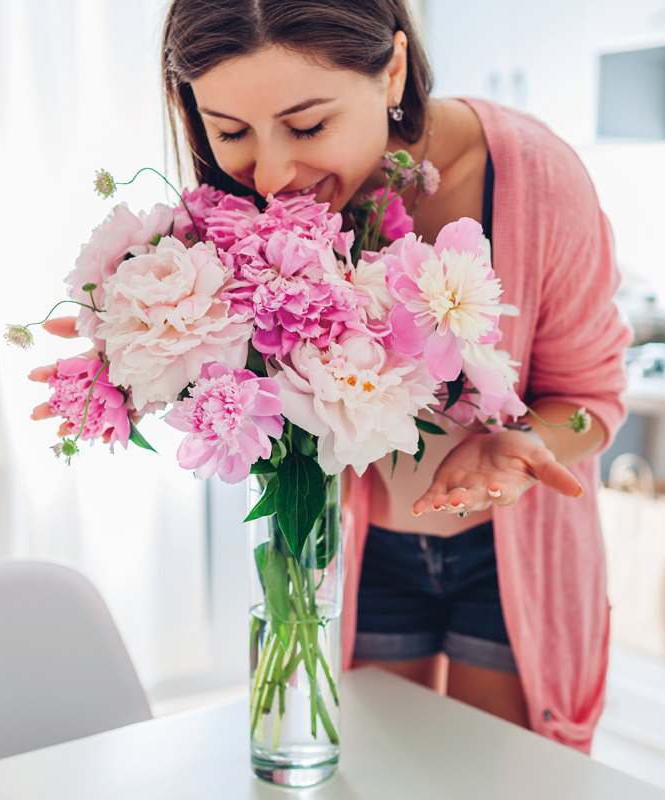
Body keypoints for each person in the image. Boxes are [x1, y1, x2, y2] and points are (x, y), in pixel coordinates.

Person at [32, 0, 631, 753]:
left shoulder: (538, 180)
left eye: (309, 126)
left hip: (507, 561)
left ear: (393, 72)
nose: (275, 174)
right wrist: (117, 350)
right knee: (363, 768)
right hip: (354, 555)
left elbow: (592, 401)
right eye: (231, 132)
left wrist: (519, 450)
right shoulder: (229, 213)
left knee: (499, 777)